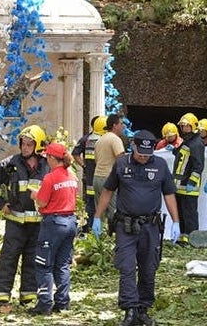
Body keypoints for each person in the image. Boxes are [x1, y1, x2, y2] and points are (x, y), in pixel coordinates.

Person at [92, 130, 180, 326]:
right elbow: (108, 190)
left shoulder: (160, 165)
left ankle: (143, 309)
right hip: (125, 225)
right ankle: (129, 310)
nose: (143, 156)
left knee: (149, 268)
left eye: (147, 154)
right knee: (127, 267)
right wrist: (97, 217)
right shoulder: (122, 164)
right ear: (133, 147)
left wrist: (176, 222)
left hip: (150, 225)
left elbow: (169, 194)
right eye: (140, 152)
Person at [0, 125, 49, 312]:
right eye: (23, 143)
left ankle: (28, 297)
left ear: (38, 146)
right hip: (16, 222)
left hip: (37, 223)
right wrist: (0, 203)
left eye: (30, 144)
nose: (25, 147)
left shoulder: (46, 165)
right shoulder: (10, 164)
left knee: (32, 260)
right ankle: (1, 298)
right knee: (9, 259)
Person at [29, 142, 78, 316]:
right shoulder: (71, 176)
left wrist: (35, 194)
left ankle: (44, 304)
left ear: (51, 158)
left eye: (47, 157)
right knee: (63, 264)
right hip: (71, 222)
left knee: (44, 264)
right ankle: (63, 302)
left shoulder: (50, 177)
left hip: (53, 224)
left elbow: (42, 202)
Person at [173, 113, 205, 244]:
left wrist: (191, 181)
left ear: (193, 127)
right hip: (179, 186)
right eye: (182, 126)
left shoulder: (196, 143)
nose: (184, 128)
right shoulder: (188, 141)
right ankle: (182, 237)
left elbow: (198, 165)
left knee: (190, 214)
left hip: (188, 186)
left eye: (186, 126)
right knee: (181, 213)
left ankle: (192, 238)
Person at [71, 115, 106, 234]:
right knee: (101, 205)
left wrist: (84, 166)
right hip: (102, 179)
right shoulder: (105, 141)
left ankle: (90, 228)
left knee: (90, 205)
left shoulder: (86, 139)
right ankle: (100, 229)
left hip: (90, 178)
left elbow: (75, 154)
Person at [93, 114, 126, 226]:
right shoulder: (115, 139)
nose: (124, 126)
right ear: (114, 125)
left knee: (100, 211)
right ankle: (112, 237)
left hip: (97, 178)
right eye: (121, 124)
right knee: (113, 212)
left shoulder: (100, 139)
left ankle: (99, 239)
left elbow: (96, 160)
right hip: (109, 179)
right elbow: (122, 161)